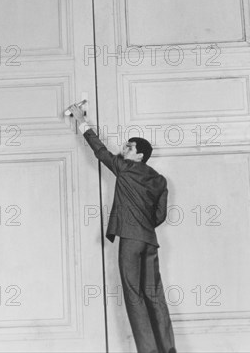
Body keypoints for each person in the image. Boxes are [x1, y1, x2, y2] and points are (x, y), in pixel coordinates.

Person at [68, 103, 176, 353]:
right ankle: (169, 349)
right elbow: (159, 216)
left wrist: (81, 121)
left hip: (130, 239)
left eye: (129, 147)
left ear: (140, 155)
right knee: (155, 295)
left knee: (134, 296)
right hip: (150, 241)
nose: (123, 149)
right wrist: (143, 223)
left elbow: (101, 151)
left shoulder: (125, 168)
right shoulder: (159, 180)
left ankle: (148, 351)